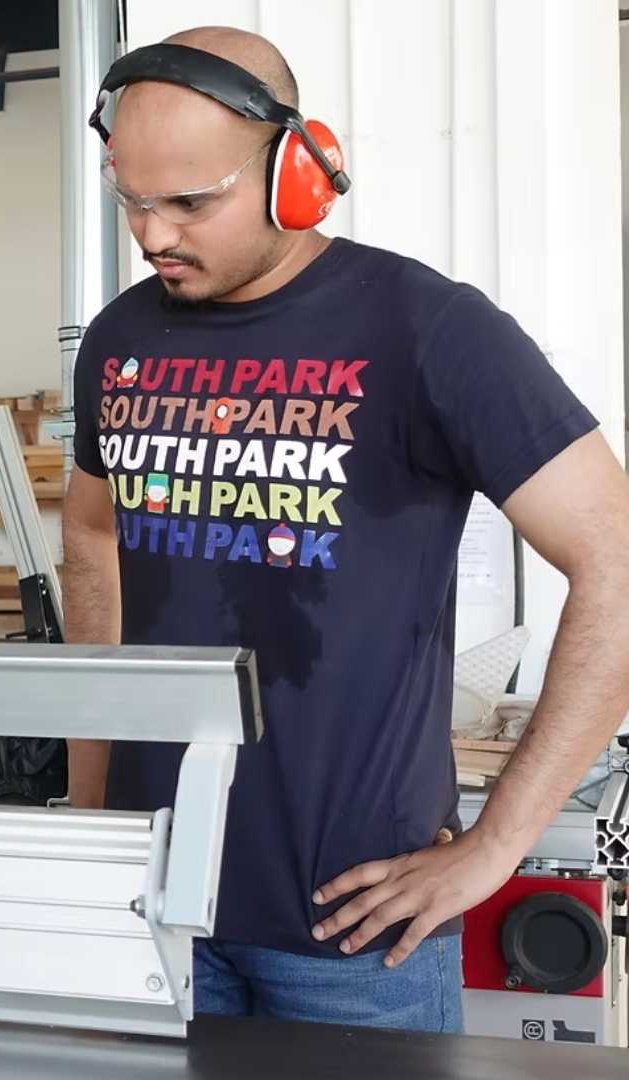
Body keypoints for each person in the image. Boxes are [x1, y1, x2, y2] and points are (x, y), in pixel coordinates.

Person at [62, 28, 629, 1031]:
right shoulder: (120, 340)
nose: (152, 236)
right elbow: (93, 541)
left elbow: (617, 561)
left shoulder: (426, 331)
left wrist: (494, 849)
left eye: (191, 202)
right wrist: (95, 809)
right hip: (157, 906)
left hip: (356, 934)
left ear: (298, 170)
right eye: (132, 201)